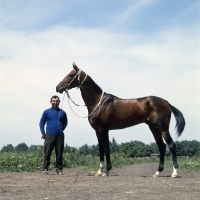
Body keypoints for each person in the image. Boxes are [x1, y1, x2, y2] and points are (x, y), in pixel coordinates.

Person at [39, 95, 68, 175]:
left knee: (59, 153)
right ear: (51, 102)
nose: (55, 102)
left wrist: (61, 129)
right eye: (54, 101)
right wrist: (43, 132)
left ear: (59, 102)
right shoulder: (46, 112)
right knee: (47, 153)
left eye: (57, 101)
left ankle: (59, 170)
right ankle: (45, 169)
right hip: (49, 135)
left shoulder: (63, 112)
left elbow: (65, 123)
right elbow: (41, 123)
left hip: (60, 135)